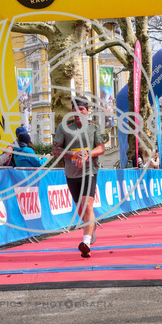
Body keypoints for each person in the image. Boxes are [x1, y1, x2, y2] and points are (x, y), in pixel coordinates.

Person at [53, 96, 106, 258]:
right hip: (71, 173)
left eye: (81, 109)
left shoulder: (94, 126)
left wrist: (88, 154)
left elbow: (101, 148)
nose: (77, 113)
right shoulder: (64, 127)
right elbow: (56, 151)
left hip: (90, 170)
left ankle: (86, 243)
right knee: (81, 209)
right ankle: (91, 226)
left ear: (87, 111)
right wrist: (73, 154)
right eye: (74, 110)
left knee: (87, 205)